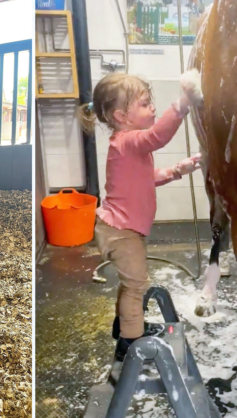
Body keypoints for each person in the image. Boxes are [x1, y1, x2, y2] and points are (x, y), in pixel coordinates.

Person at [79, 70, 203, 361]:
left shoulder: (126, 145)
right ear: (122, 116)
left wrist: (175, 171)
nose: (153, 108)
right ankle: (130, 343)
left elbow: (145, 178)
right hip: (121, 231)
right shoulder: (128, 141)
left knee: (130, 284)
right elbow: (159, 135)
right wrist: (182, 104)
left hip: (122, 228)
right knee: (137, 285)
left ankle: (124, 324)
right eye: (146, 104)